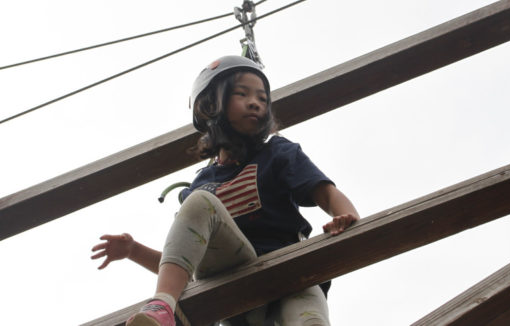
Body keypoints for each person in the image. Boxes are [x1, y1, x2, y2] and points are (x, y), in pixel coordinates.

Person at [91, 55, 360, 326]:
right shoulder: (203, 184)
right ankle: (163, 307)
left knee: (308, 320)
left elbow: (325, 193)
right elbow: (184, 261)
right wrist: (133, 250)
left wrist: (346, 215)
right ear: (210, 106)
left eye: (263, 99)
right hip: (237, 295)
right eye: (242, 94)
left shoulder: (277, 152)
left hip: (289, 275)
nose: (255, 102)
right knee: (198, 202)